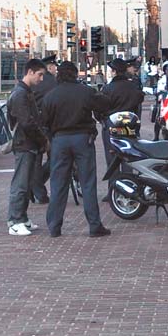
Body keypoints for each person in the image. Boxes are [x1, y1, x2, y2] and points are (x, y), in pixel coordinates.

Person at [42, 61, 111, 238]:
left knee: (58, 183)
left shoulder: (51, 96)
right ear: (74, 74)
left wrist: (52, 138)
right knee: (88, 183)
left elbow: (44, 123)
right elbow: (104, 104)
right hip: (82, 138)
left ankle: (54, 226)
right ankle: (94, 225)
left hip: (59, 140)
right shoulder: (85, 92)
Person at [5, 59, 48, 236]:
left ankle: (21, 218)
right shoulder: (21, 94)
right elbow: (27, 123)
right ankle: (14, 220)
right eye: (40, 75)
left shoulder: (23, 92)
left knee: (26, 182)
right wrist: (42, 139)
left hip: (28, 143)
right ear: (30, 72)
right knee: (21, 183)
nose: (41, 79)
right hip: (25, 144)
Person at [99, 58, 145, 201]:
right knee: (128, 158)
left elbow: (99, 109)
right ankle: (129, 187)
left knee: (112, 159)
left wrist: (103, 120)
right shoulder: (133, 87)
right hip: (129, 128)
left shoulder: (107, 89)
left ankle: (114, 189)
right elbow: (138, 105)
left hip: (111, 128)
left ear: (113, 71)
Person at [29, 54, 58, 204]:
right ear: (49, 67)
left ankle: (37, 189)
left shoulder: (33, 83)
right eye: (54, 66)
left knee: (36, 160)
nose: (55, 69)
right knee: (54, 158)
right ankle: (37, 184)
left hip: (36, 124)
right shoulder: (53, 82)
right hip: (50, 125)